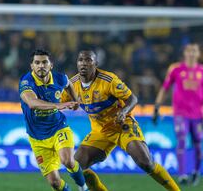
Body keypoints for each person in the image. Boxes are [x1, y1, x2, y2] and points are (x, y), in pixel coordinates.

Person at [61, 50, 180, 191]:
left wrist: (124, 111)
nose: (84, 64)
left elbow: (132, 99)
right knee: (77, 166)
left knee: (145, 162)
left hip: (122, 126)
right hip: (100, 132)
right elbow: (58, 102)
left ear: (96, 64)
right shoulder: (72, 85)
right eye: (81, 60)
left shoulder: (109, 80)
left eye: (88, 60)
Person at [19, 49, 89, 191]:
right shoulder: (26, 82)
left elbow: (68, 84)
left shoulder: (59, 78)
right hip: (37, 138)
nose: (41, 66)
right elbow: (32, 103)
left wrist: (76, 100)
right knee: (55, 183)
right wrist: (60, 105)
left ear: (51, 65)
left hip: (58, 128)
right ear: (32, 66)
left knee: (68, 161)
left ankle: (83, 187)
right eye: (37, 63)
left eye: (44, 62)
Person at [153, 43, 203, 186]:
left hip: (198, 115)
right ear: (184, 53)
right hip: (181, 113)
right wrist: (157, 107)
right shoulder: (176, 69)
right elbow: (164, 88)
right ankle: (182, 174)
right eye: (189, 50)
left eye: (194, 51)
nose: (191, 53)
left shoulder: (202, 71)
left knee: (198, 144)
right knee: (181, 139)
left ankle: (195, 171)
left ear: (198, 54)